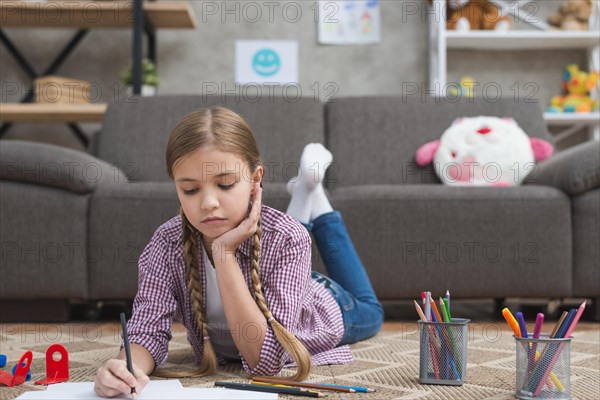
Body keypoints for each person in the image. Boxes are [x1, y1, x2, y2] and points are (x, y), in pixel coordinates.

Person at [94, 107, 383, 398]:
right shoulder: (165, 244)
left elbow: (265, 363)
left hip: (326, 304)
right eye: (191, 190)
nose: (208, 203)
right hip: (280, 262)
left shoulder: (288, 238)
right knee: (284, 233)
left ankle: (314, 195)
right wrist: (124, 367)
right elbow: (147, 330)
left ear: (256, 179)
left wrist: (224, 254)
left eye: (225, 184)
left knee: (372, 310)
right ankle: (304, 192)